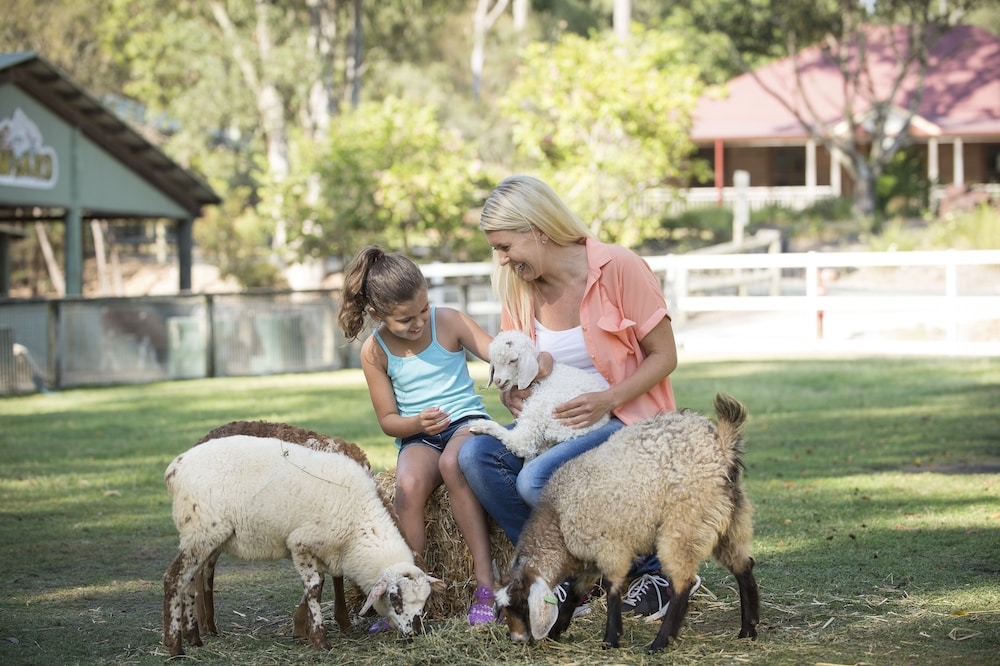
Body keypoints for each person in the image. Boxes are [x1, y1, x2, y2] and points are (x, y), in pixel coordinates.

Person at [457, 175, 694, 619]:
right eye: (497, 250)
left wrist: (607, 399)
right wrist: (518, 394)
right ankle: (564, 578)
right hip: (557, 425)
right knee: (475, 457)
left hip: (624, 418)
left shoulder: (619, 267)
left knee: (535, 480)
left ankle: (656, 568)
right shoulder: (519, 291)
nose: (503, 260)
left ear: (539, 229)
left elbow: (665, 356)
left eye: (506, 246)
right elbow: (521, 366)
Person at [338, 246, 498, 629]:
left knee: (453, 463)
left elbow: (497, 353)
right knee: (407, 488)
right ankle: (411, 592)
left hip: (465, 423)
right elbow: (389, 421)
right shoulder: (374, 351)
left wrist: (527, 360)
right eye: (405, 319)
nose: (419, 322)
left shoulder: (450, 322)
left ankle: (486, 587)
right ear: (377, 315)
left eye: (423, 310)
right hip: (420, 434)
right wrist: (417, 424)